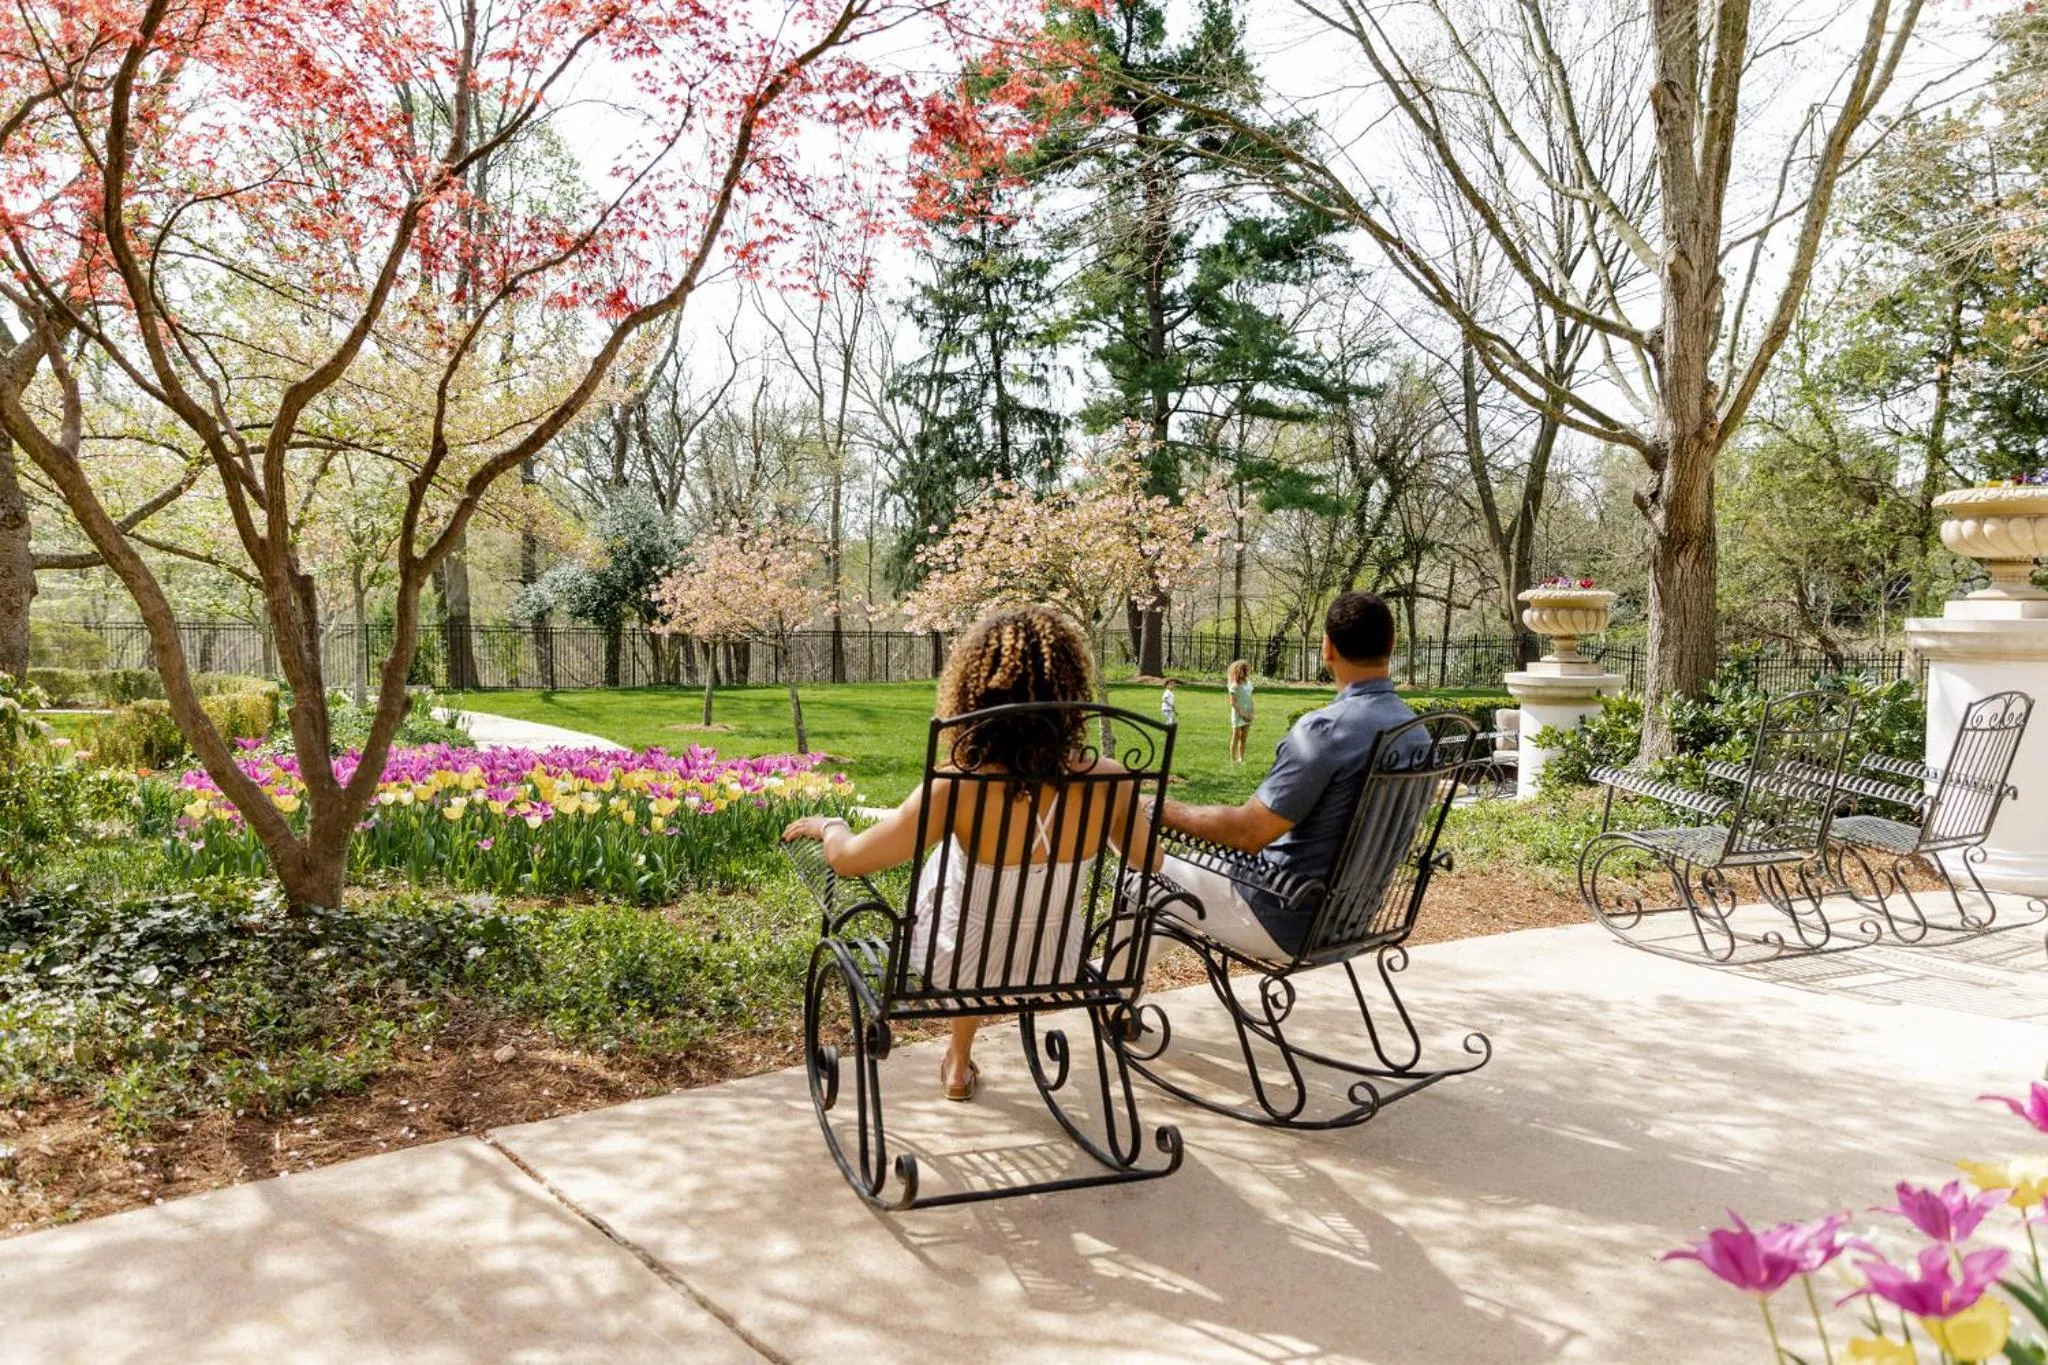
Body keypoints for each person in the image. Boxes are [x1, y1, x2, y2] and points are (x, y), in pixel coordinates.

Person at [782, 606, 1162, 1103]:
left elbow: (848, 860)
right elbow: (1149, 861)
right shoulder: (1110, 780)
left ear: (975, 691)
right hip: (1054, 964)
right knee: (996, 911)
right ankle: (957, 1060)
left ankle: (958, 1062)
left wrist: (831, 826)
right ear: (1070, 690)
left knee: (961, 895)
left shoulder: (957, 786)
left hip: (958, 966)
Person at [1154, 592, 1420, 961]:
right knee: (1169, 890)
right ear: (1391, 644)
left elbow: (1248, 833)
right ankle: (1115, 988)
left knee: (1145, 873)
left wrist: (1156, 809)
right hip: (1353, 921)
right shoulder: (1416, 731)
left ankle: (1106, 989)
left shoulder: (1326, 731)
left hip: (1285, 914)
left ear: (1327, 648)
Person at [1226, 659, 1254, 765]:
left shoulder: (1248, 683)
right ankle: (1232, 759)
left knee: (1244, 738)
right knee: (1236, 736)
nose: (1247, 672)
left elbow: (1250, 699)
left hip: (1248, 712)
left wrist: (1251, 713)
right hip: (1238, 714)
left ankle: (1241, 758)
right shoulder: (1234, 686)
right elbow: (1233, 703)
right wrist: (1242, 714)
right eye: (1244, 670)